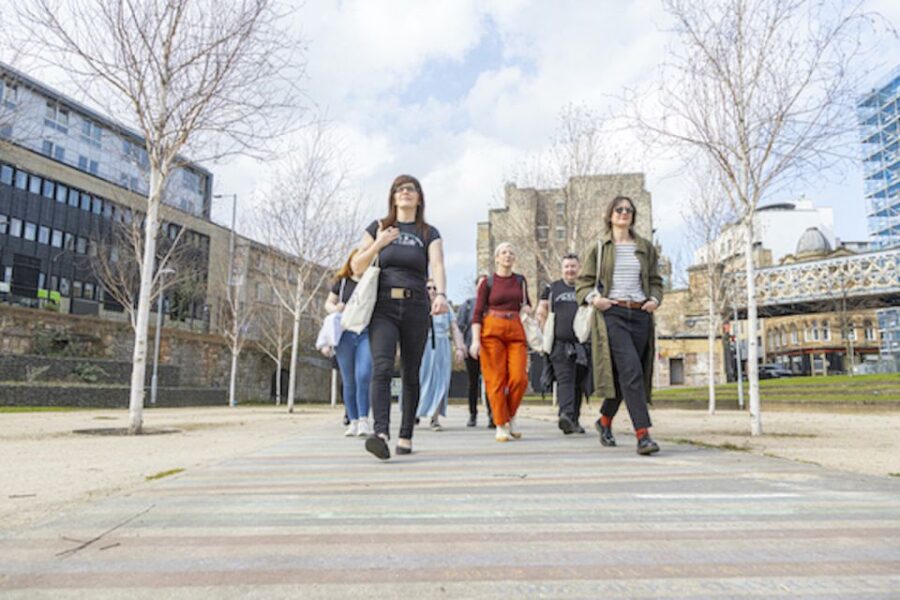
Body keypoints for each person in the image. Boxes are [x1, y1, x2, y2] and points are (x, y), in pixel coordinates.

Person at [351, 175, 448, 460]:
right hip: (383, 306)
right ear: (392, 197)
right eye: (400, 189)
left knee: (411, 371)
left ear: (419, 197)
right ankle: (380, 433)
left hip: (417, 305)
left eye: (411, 189)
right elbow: (356, 266)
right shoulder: (379, 227)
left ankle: (406, 434)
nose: (405, 193)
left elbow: (438, 265)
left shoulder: (428, 232)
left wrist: (440, 294)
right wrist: (378, 244)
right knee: (381, 367)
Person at [575, 196, 664, 455]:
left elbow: (656, 280)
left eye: (629, 210)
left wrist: (655, 300)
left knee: (624, 376)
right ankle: (643, 435)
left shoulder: (645, 247)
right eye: (619, 209)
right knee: (632, 371)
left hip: (640, 316)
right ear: (610, 214)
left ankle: (604, 422)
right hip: (612, 314)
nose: (624, 213)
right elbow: (583, 282)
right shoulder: (600, 247)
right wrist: (596, 299)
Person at [469, 242, 532, 442]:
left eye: (511, 252)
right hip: (492, 331)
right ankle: (500, 424)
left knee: (519, 378)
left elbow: (526, 304)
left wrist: (529, 310)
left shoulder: (520, 280)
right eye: (504, 252)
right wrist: (475, 341)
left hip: (515, 330)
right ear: (497, 258)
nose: (508, 255)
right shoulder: (487, 283)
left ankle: (510, 415)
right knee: (495, 380)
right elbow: (477, 313)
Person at [536, 253, 591, 436]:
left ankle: (573, 420)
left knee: (578, 382)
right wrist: (543, 329)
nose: (570, 270)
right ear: (562, 269)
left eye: (573, 266)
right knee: (565, 379)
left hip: (582, 344)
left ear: (579, 268)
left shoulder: (586, 288)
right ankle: (565, 414)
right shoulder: (553, 288)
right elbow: (542, 310)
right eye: (566, 267)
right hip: (559, 343)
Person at [325, 249, 372, 437]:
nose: (358, 264)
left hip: (366, 333)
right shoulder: (342, 282)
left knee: (364, 375)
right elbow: (328, 304)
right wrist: (335, 308)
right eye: (354, 260)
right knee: (349, 379)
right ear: (350, 263)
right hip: (344, 335)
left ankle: (364, 420)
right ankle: (352, 420)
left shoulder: (371, 282)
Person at [416, 279, 466, 431]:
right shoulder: (417, 306)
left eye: (435, 288)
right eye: (428, 288)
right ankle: (415, 412)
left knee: (440, 382)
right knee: (419, 380)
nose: (431, 291)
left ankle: (435, 418)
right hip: (422, 347)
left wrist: (459, 347)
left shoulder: (447, 308)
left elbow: (454, 328)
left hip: (441, 347)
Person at [456, 274, 493, 428]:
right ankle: (473, 414)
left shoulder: (492, 305)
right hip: (472, 348)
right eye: (480, 283)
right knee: (473, 383)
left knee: (491, 382)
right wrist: (462, 346)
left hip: (490, 349)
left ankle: (492, 414)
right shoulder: (468, 305)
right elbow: (460, 326)